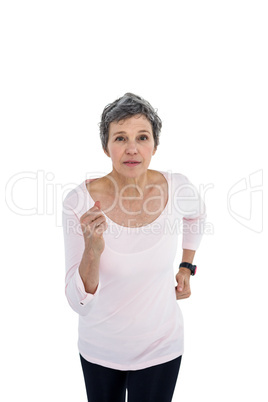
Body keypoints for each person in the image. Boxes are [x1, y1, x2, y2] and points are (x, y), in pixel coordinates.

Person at [62, 92, 206, 402]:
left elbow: (196, 215)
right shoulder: (79, 203)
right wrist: (93, 250)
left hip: (162, 347)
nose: (132, 148)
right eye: (120, 138)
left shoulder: (177, 187)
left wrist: (187, 266)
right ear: (106, 146)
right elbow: (78, 303)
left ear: (155, 145)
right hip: (100, 349)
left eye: (142, 137)